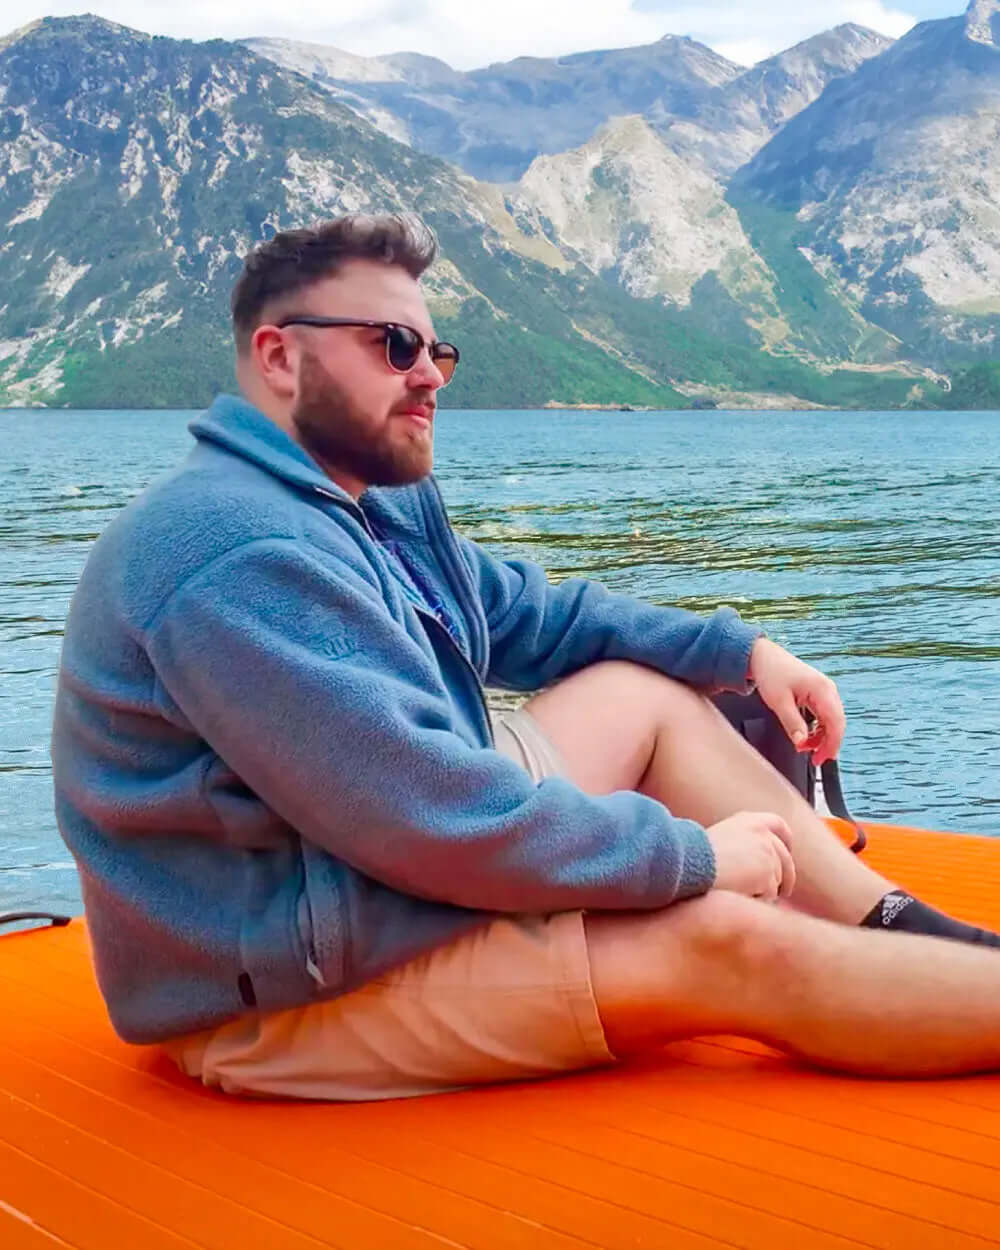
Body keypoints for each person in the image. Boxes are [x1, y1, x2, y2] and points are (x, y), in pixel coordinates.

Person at [52, 213, 1000, 1103]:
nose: (429, 375)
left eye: (437, 350)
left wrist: (740, 650)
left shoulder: (355, 500)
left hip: (366, 868)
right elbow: (431, 819)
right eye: (393, 346)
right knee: (725, 941)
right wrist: (694, 859)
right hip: (288, 980)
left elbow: (535, 617)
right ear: (279, 357)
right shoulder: (234, 552)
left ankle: (906, 930)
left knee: (639, 692)